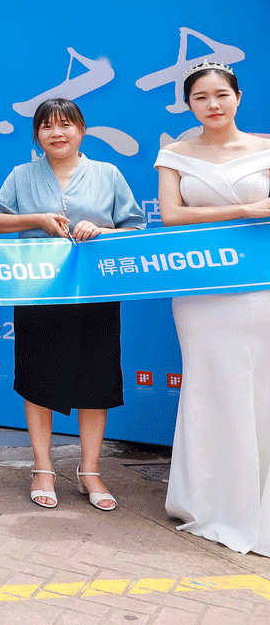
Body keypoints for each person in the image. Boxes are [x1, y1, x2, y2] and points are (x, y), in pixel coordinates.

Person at [0, 97, 143, 511]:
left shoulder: (108, 174)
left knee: (96, 381)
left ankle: (90, 471)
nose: (57, 133)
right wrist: (35, 219)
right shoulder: (22, 175)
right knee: (38, 377)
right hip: (39, 292)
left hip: (94, 294)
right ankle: (42, 468)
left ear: (81, 130)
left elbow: (135, 228)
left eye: (66, 125)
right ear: (37, 135)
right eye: (47, 126)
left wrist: (103, 231)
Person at [154, 61, 270, 554]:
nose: (213, 104)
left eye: (221, 94)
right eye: (200, 97)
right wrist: (246, 210)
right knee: (207, 383)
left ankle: (259, 500)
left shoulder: (266, 149)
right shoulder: (174, 154)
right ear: (189, 105)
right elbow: (171, 215)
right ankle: (208, 500)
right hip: (200, 288)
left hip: (260, 284)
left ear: (238, 97)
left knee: (261, 384)